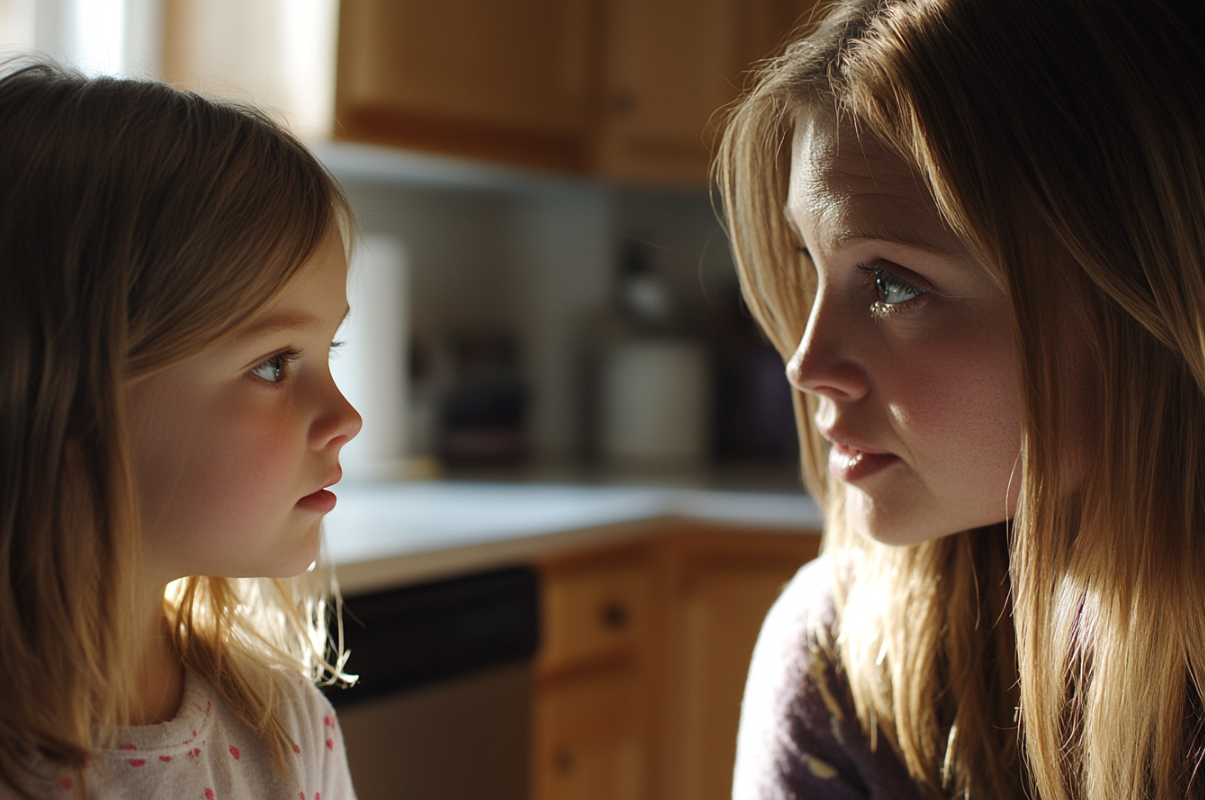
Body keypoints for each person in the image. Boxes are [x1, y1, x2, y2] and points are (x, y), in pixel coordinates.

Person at [717, 0, 1205, 798]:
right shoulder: (843, 669)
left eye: (889, 283)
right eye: (810, 263)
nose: (804, 365)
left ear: (1138, 298)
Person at [0, 61, 363, 799]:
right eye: (274, 365)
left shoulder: (289, 733)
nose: (347, 419)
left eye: (330, 352)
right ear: (67, 396)